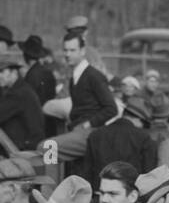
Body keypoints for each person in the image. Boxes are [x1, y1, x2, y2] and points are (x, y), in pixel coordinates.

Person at [48, 31, 118, 163]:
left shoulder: (93, 76)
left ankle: (50, 184)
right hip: (77, 131)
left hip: (90, 133)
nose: (67, 54)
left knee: (48, 147)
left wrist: (87, 124)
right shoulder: (74, 76)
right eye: (65, 50)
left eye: (72, 50)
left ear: (82, 51)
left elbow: (111, 108)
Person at [0, 57, 44, 156]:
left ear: (14, 72)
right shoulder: (22, 89)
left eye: (2, 71)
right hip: (30, 146)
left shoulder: (18, 93)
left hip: (25, 150)